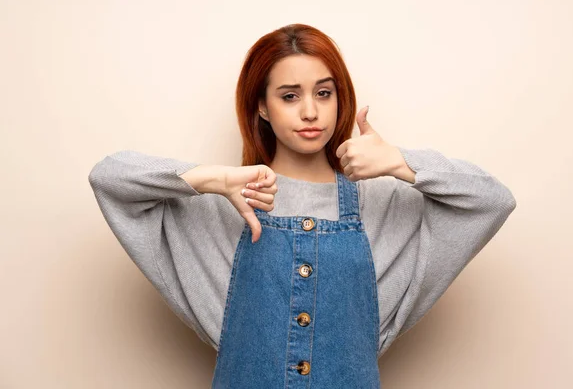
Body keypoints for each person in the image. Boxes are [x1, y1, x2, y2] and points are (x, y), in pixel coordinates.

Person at [88, 23, 517, 388]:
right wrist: (214, 179)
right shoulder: (224, 206)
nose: (310, 111)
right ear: (262, 106)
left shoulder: (380, 205)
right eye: (290, 96)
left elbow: (492, 200)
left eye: (324, 93)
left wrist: (401, 163)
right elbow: (109, 178)